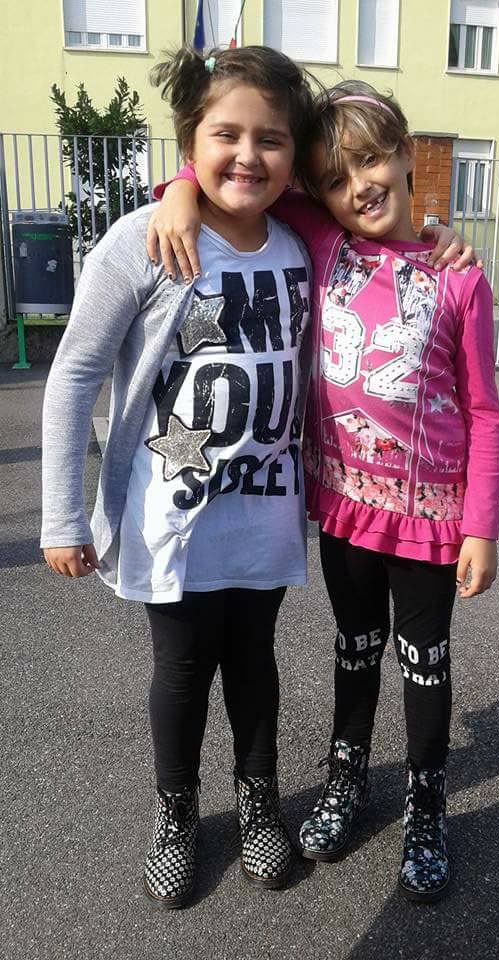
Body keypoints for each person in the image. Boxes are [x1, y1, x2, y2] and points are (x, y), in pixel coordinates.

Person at [146, 79, 499, 904]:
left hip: (430, 520)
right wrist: (179, 189)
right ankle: (346, 780)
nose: (358, 188)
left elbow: (485, 411)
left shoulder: (459, 278)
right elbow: (250, 182)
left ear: (408, 154)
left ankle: (425, 806)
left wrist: (481, 527)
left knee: (424, 664)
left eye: (372, 161)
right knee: (355, 650)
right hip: (345, 505)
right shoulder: (322, 238)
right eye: (336, 180)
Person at [41, 44, 327, 909]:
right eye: (226, 135)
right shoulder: (145, 240)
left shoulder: (300, 240)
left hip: (266, 510)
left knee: (255, 659)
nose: (248, 155)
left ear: (294, 153)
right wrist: (61, 517)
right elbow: (74, 374)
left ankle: (259, 803)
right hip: (172, 513)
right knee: (183, 667)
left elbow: (371, 205)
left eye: (271, 139)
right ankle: (177, 816)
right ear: (189, 142)